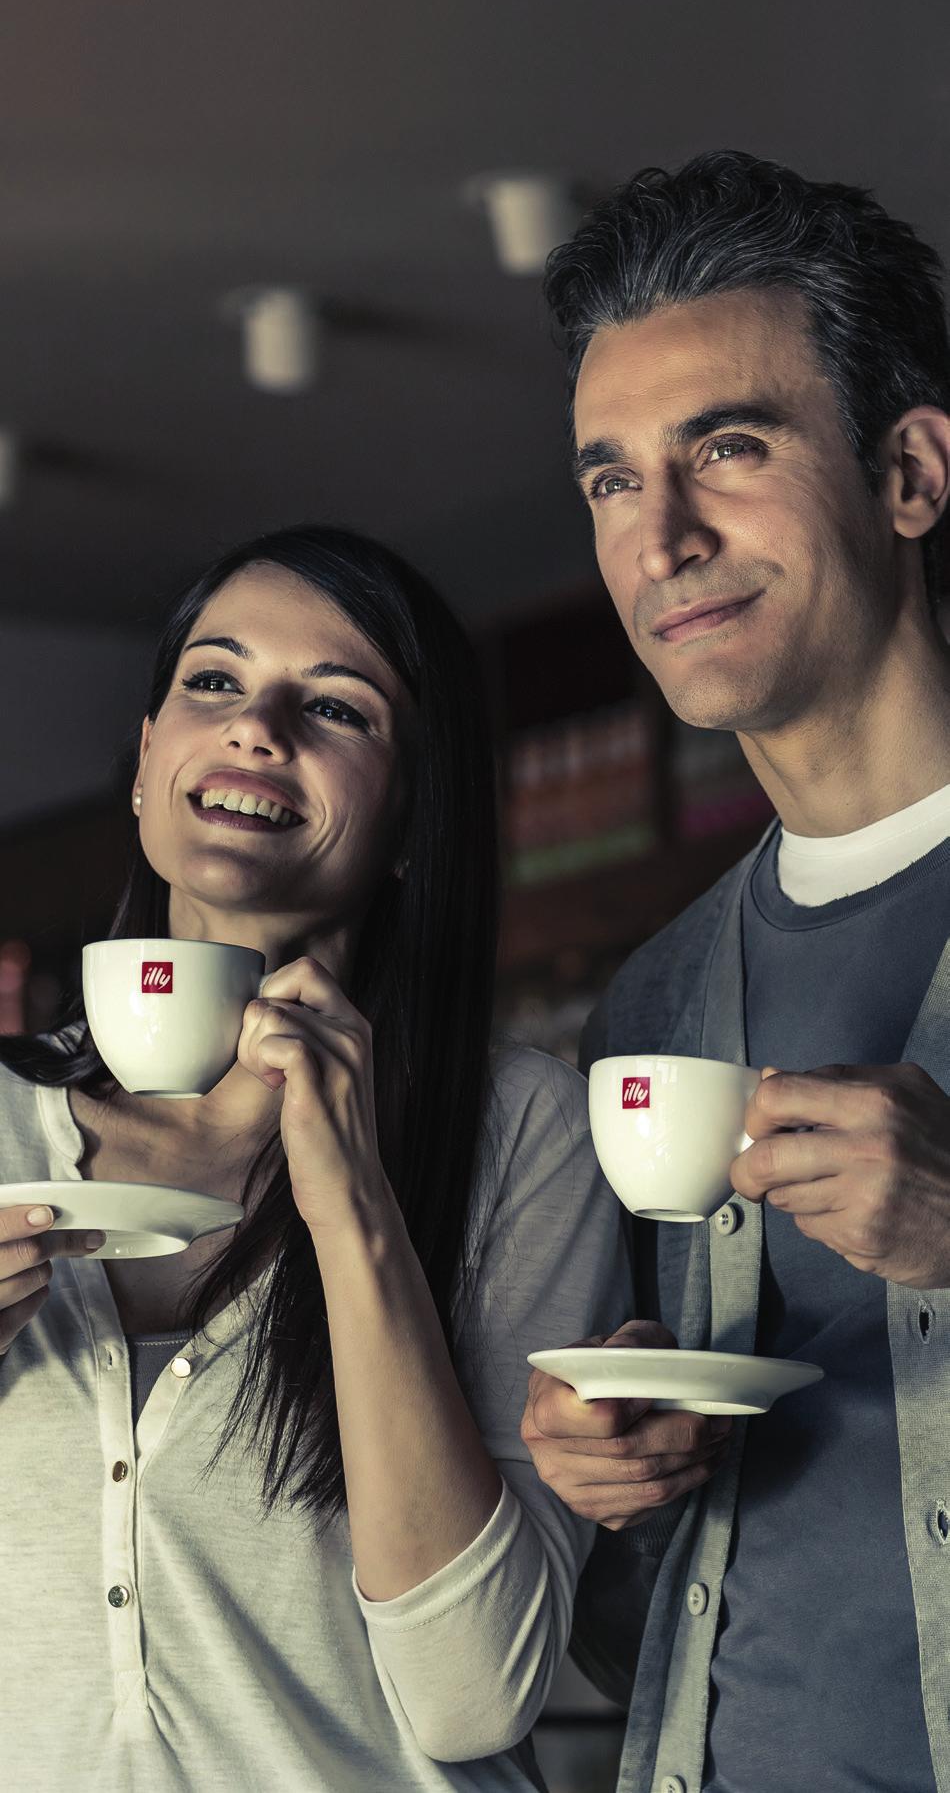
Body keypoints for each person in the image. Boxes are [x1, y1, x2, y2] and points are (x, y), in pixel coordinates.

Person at [0, 523, 628, 1793]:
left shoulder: (523, 1136)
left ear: (409, 819)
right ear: (144, 767)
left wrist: (355, 1207)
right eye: (213, 682)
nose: (255, 728)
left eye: (334, 706)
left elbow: (471, 1699)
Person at [520, 152, 950, 1793]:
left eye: (730, 447)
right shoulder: (655, 999)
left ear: (909, 473)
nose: (664, 536)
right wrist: (614, 1463)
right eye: (612, 481)